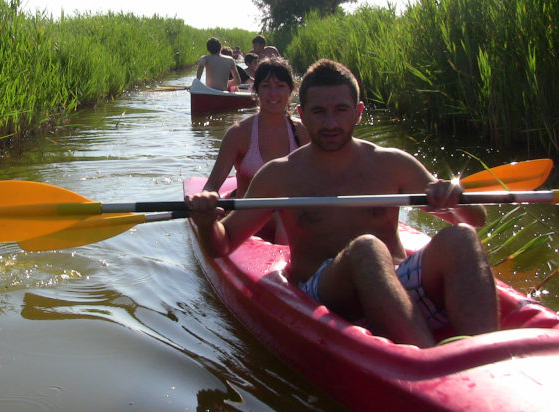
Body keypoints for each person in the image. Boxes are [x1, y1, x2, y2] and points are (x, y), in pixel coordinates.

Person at [186, 59, 498, 348]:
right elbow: (222, 245)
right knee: (368, 249)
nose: (330, 122)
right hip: (325, 295)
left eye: (341, 110)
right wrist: (205, 222)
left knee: (461, 238)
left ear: (359, 112)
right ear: (303, 114)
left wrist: (455, 198)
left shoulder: (392, 164)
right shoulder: (279, 175)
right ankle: (427, 362)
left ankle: (486, 361)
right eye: (319, 112)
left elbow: (476, 219)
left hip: (397, 282)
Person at [201, 57, 310, 242]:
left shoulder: (304, 132)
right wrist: (206, 199)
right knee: (283, 218)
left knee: (286, 217)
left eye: (280, 86)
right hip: (247, 223)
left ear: (291, 90)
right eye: (266, 86)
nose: (273, 93)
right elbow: (212, 185)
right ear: (256, 90)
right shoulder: (238, 134)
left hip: (292, 221)